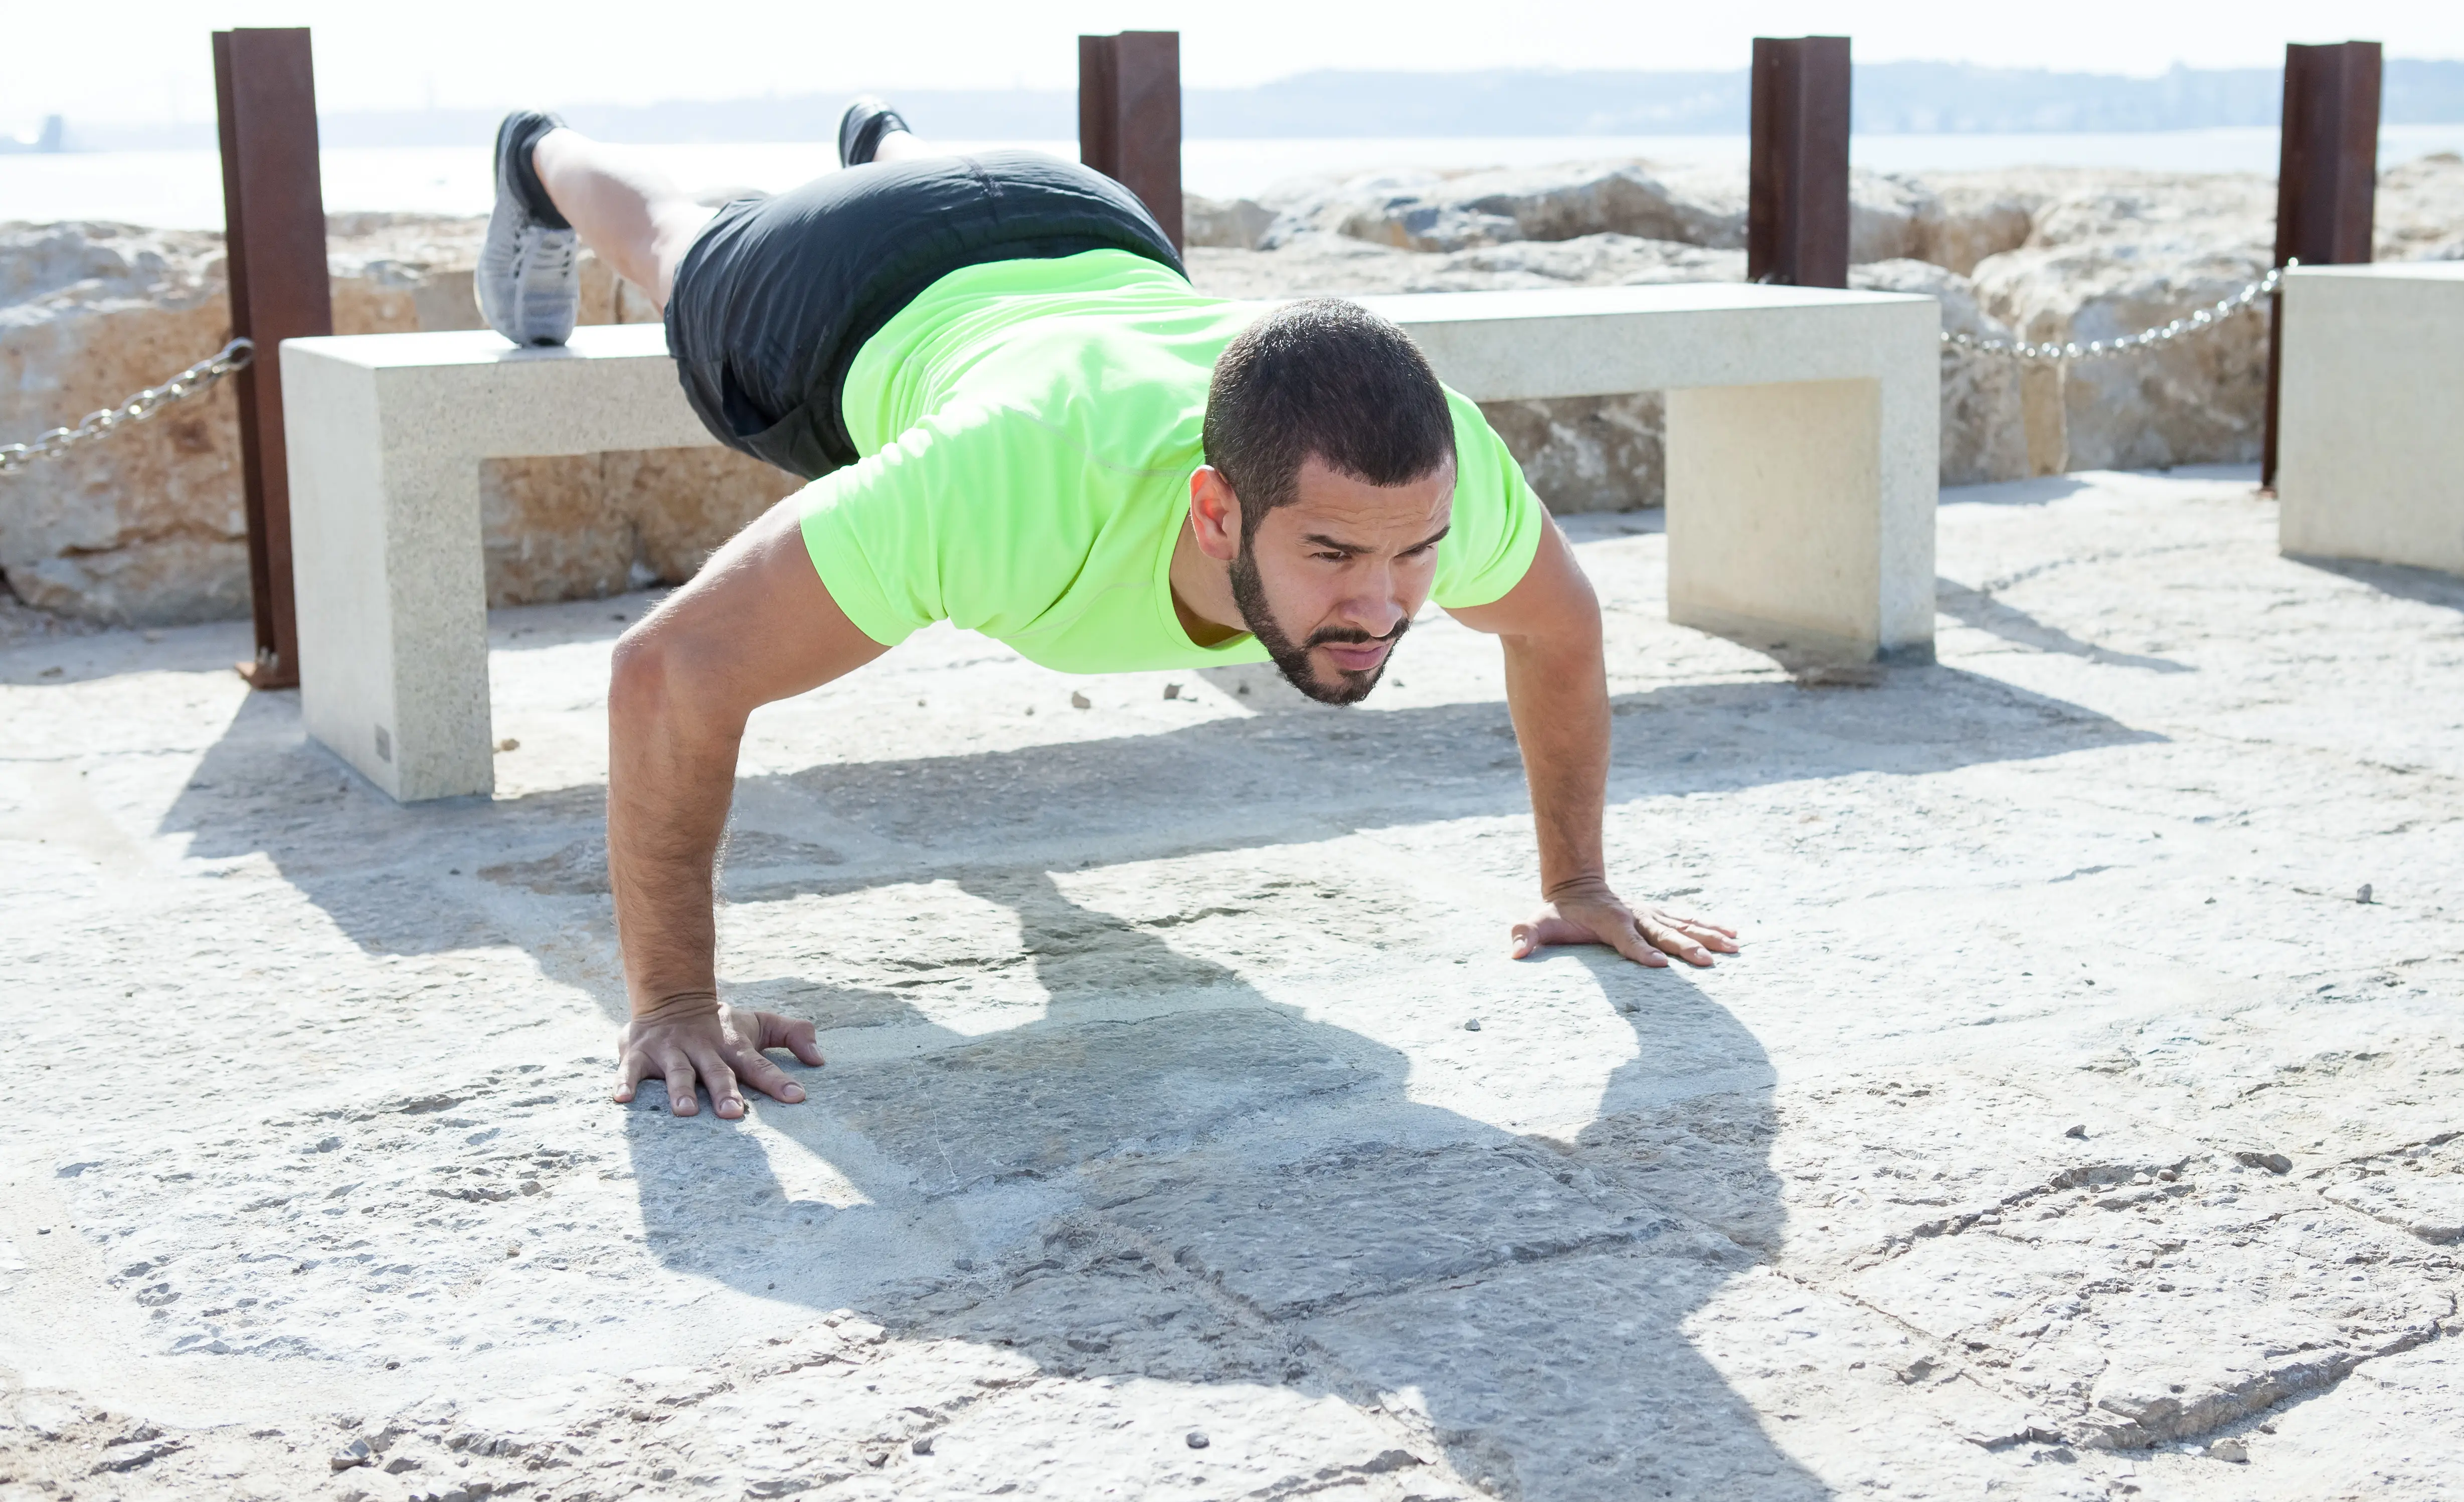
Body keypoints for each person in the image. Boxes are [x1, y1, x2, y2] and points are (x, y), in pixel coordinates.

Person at [475, 102, 1740, 1122]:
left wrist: (1578, 880)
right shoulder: (999, 485)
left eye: (1418, 555)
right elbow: (667, 672)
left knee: (951, 213)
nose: (1385, 601)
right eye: (1335, 553)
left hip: (1086, 219)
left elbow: (1559, 624)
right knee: (680, 238)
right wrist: (676, 1004)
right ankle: (544, 156)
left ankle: (898, 145)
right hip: (839, 280)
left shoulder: (1429, 456)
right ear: (1213, 511)